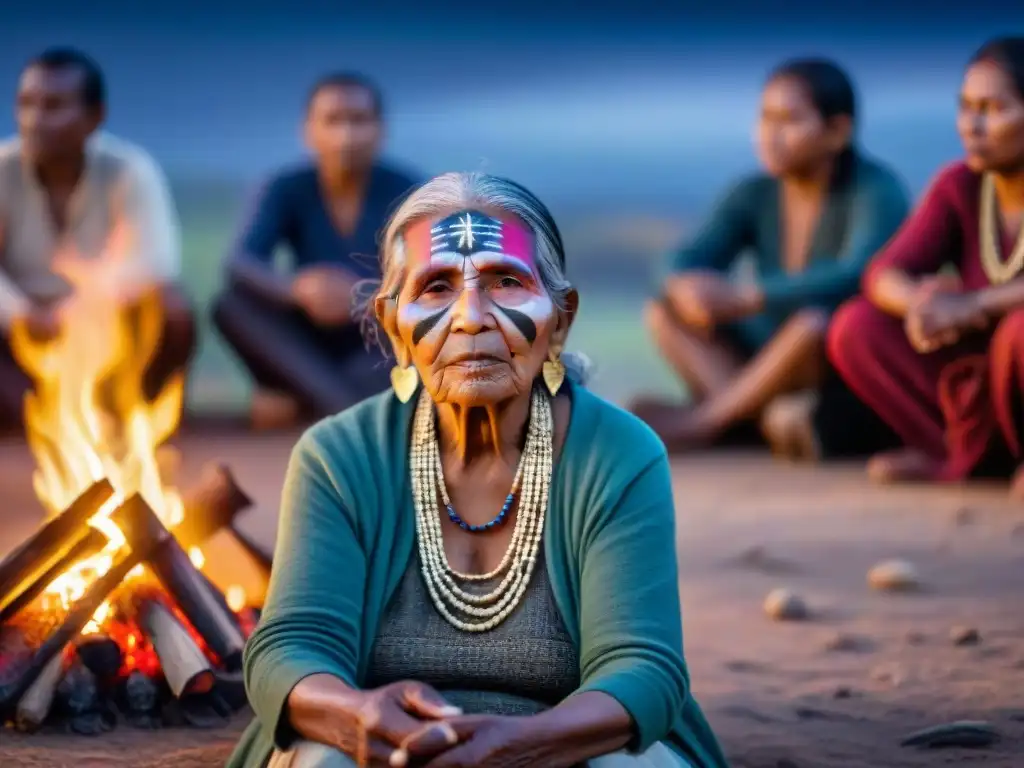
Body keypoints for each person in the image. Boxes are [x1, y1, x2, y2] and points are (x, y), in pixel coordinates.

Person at [227, 173, 728, 768]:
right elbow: (291, 647)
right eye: (436, 287)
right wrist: (352, 716)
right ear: (394, 327)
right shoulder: (339, 455)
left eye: (506, 282)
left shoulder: (618, 453)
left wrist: (524, 746)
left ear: (560, 319)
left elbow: (643, 670)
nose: (471, 317)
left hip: (564, 753)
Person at [632, 58, 907, 459]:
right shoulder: (755, 192)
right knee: (663, 312)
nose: (769, 135)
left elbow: (858, 274)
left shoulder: (876, 190)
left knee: (813, 324)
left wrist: (752, 296)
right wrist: (683, 284)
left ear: (837, 131)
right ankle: (754, 417)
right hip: (761, 355)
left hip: (826, 364)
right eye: (765, 119)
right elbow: (688, 255)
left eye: (789, 121)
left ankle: (705, 422)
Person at [827, 37, 1024, 495]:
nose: (971, 126)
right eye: (965, 107)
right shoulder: (960, 185)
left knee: (1019, 331)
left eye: (993, 108)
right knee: (857, 325)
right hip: (984, 379)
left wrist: (973, 304)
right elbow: (882, 274)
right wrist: (923, 305)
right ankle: (960, 456)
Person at [212, 72, 420, 429]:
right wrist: (297, 289)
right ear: (308, 130)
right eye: (333, 121)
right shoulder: (286, 187)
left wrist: (365, 297)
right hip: (307, 337)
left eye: (358, 121)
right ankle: (346, 409)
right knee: (232, 306)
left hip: (377, 339)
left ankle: (312, 402)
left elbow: (438, 278)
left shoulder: (413, 191)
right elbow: (240, 262)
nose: (346, 136)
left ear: (380, 130)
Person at [0, 47, 194, 429]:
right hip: (17, 332)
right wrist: (21, 313)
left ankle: (131, 412)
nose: (34, 119)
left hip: (105, 329)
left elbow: (156, 261)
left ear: (95, 117)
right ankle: (43, 414)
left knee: (172, 307)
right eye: (26, 104)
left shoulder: (130, 170)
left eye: (53, 106)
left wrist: (80, 309)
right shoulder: (2, 170)